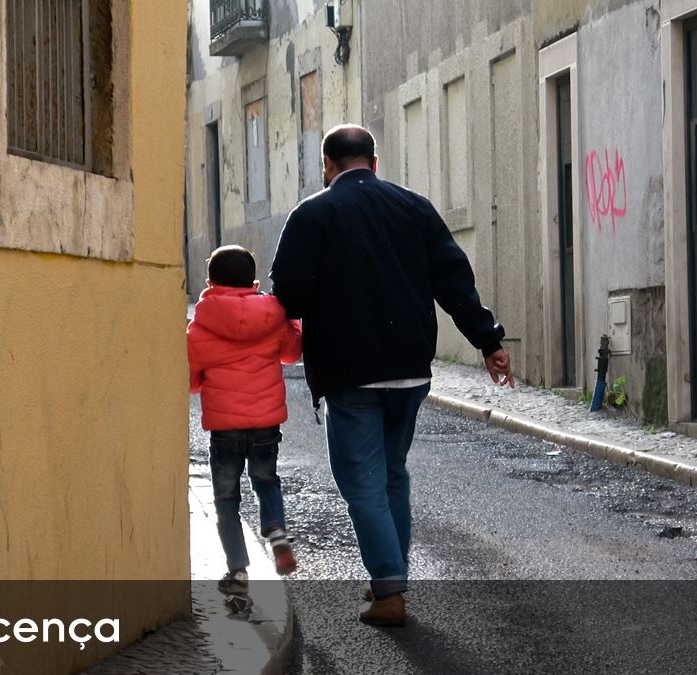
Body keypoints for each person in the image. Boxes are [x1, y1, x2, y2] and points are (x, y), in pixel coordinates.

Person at [271, 124, 513, 626]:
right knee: (392, 473)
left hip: (349, 371)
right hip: (409, 369)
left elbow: (288, 294)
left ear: (328, 166)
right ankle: (390, 576)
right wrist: (488, 341)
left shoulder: (313, 213)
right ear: (374, 163)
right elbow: (454, 280)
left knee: (360, 479)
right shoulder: (414, 208)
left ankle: (389, 592)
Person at [188, 245, 303, 596]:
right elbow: (291, 354)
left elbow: (192, 381)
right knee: (266, 479)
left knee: (226, 497)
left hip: (225, 429)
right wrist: (293, 322)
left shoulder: (200, 325)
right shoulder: (273, 314)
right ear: (253, 280)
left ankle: (237, 570)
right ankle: (277, 532)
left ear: (210, 281)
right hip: (266, 422)